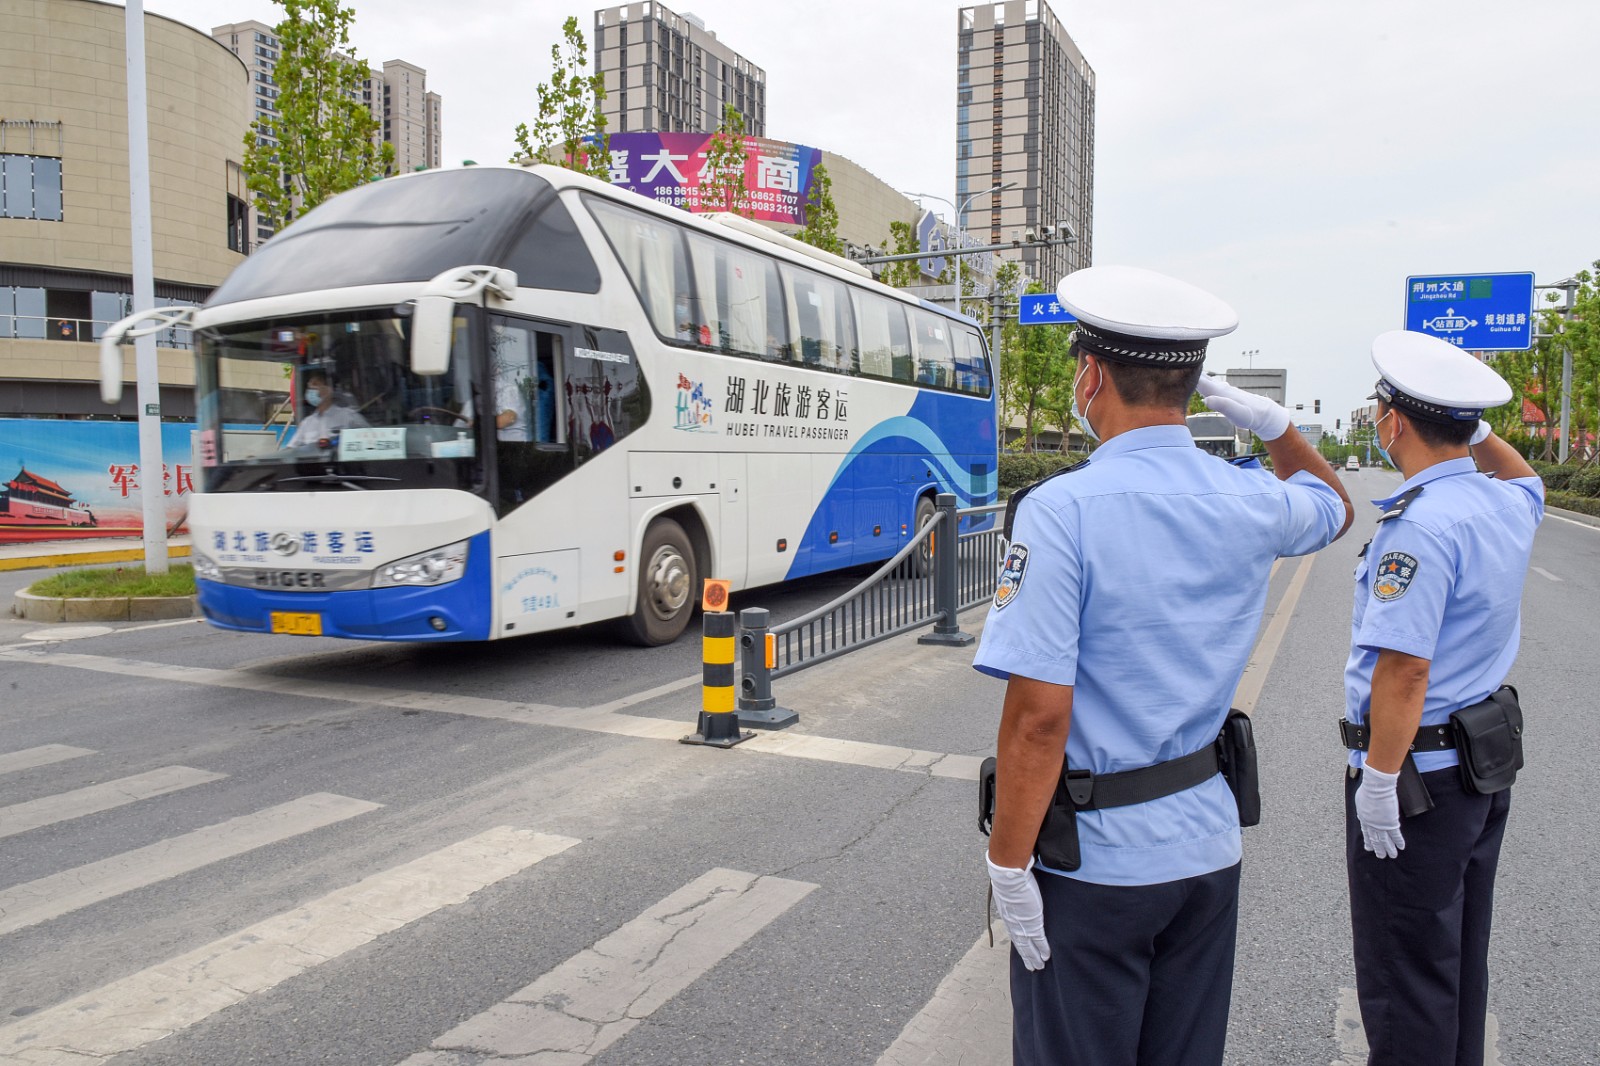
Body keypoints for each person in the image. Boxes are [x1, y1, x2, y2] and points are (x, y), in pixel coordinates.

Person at [974, 264, 1353, 1066]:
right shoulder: (1251, 497)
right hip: (1206, 851)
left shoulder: (1062, 510)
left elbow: (1038, 720)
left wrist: (1007, 863)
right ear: (1192, 385)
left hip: (1095, 867)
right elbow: (1335, 506)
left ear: (1090, 375)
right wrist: (1277, 427)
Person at [1339, 330, 1541, 1066]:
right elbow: (1528, 477)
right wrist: (1474, 428)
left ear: (1393, 422)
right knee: (1455, 957)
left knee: (1406, 975)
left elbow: (1404, 671)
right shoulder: (1506, 503)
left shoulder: (1420, 525)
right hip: (1479, 767)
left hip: (1418, 781)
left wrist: (1379, 782)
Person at [287, 369, 367, 447]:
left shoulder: (349, 417)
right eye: (309, 387)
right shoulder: (307, 423)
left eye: (315, 384)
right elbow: (291, 449)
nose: (310, 391)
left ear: (329, 389)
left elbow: (370, 440)